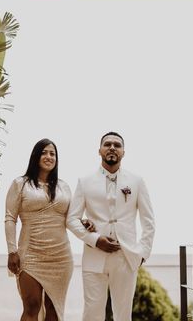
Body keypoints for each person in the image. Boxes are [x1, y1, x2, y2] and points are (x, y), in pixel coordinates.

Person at [67, 131, 155, 321]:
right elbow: (72, 219)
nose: (112, 148)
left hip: (126, 255)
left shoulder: (136, 181)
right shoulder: (85, 181)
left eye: (117, 145)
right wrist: (95, 240)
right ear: (99, 150)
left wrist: (142, 253)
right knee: (92, 313)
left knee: (123, 314)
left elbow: (148, 221)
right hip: (94, 256)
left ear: (123, 152)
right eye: (107, 144)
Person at [4, 138, 74, 321]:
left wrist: (86, 223)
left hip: (60, 256)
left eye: (52, 153)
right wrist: (12, 251)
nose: (48, 156)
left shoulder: (63, 187)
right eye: (44, 152)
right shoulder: (20, 184)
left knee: (54, 310)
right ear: (35, 156)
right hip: (30, 253)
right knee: (31, 305)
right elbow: (10, 218)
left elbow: (72, 218)